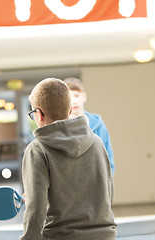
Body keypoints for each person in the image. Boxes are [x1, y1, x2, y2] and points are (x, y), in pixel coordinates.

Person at [20, 78, 116, 240]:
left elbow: (36, 208)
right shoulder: (97, 142)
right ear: (70, 110)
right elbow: (108, 192)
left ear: (39, 114)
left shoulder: (37, 149)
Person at [63, 77, 115, 174]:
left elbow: (109, 161)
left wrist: (105, 184)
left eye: (76, 95)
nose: (74, 101)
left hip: (98, 183)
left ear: (84, 96)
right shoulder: (60, 128)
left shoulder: (99, 126)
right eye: (69, 97)